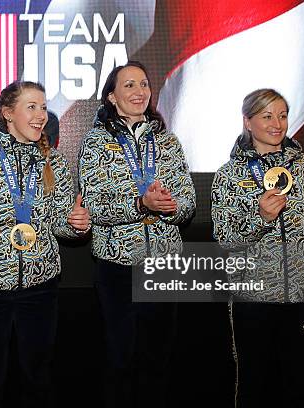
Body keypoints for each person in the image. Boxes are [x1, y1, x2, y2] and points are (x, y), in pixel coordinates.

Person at [0, 80, 90, 408]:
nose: (41, 115)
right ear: (8, 113)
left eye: (43, 106)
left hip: (41, 289)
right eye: (31, 107)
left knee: (38, 378)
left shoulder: (53, 161)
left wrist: (75, 223)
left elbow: (59, 220)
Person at [211, 88, 304, 408]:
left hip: (303, 295)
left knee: (300, 385)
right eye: (267, 116)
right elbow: (227, 240)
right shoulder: (229, 176)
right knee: (253, 386)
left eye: (283, 115)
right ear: (248, 121)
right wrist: (261, 218)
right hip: (253, 297)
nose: (277, 124)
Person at [78, 61, 196, 407]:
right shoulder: (96, 143)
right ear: (112, 97)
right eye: (128, 85)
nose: (138, 91)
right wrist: (141, 204)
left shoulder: (167, 140)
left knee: (158, 359)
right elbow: (95, 206)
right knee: (119, 359)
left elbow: (188, 200)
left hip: (163, 265)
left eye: (143, 84)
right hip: (117, 267)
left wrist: (172, 206)